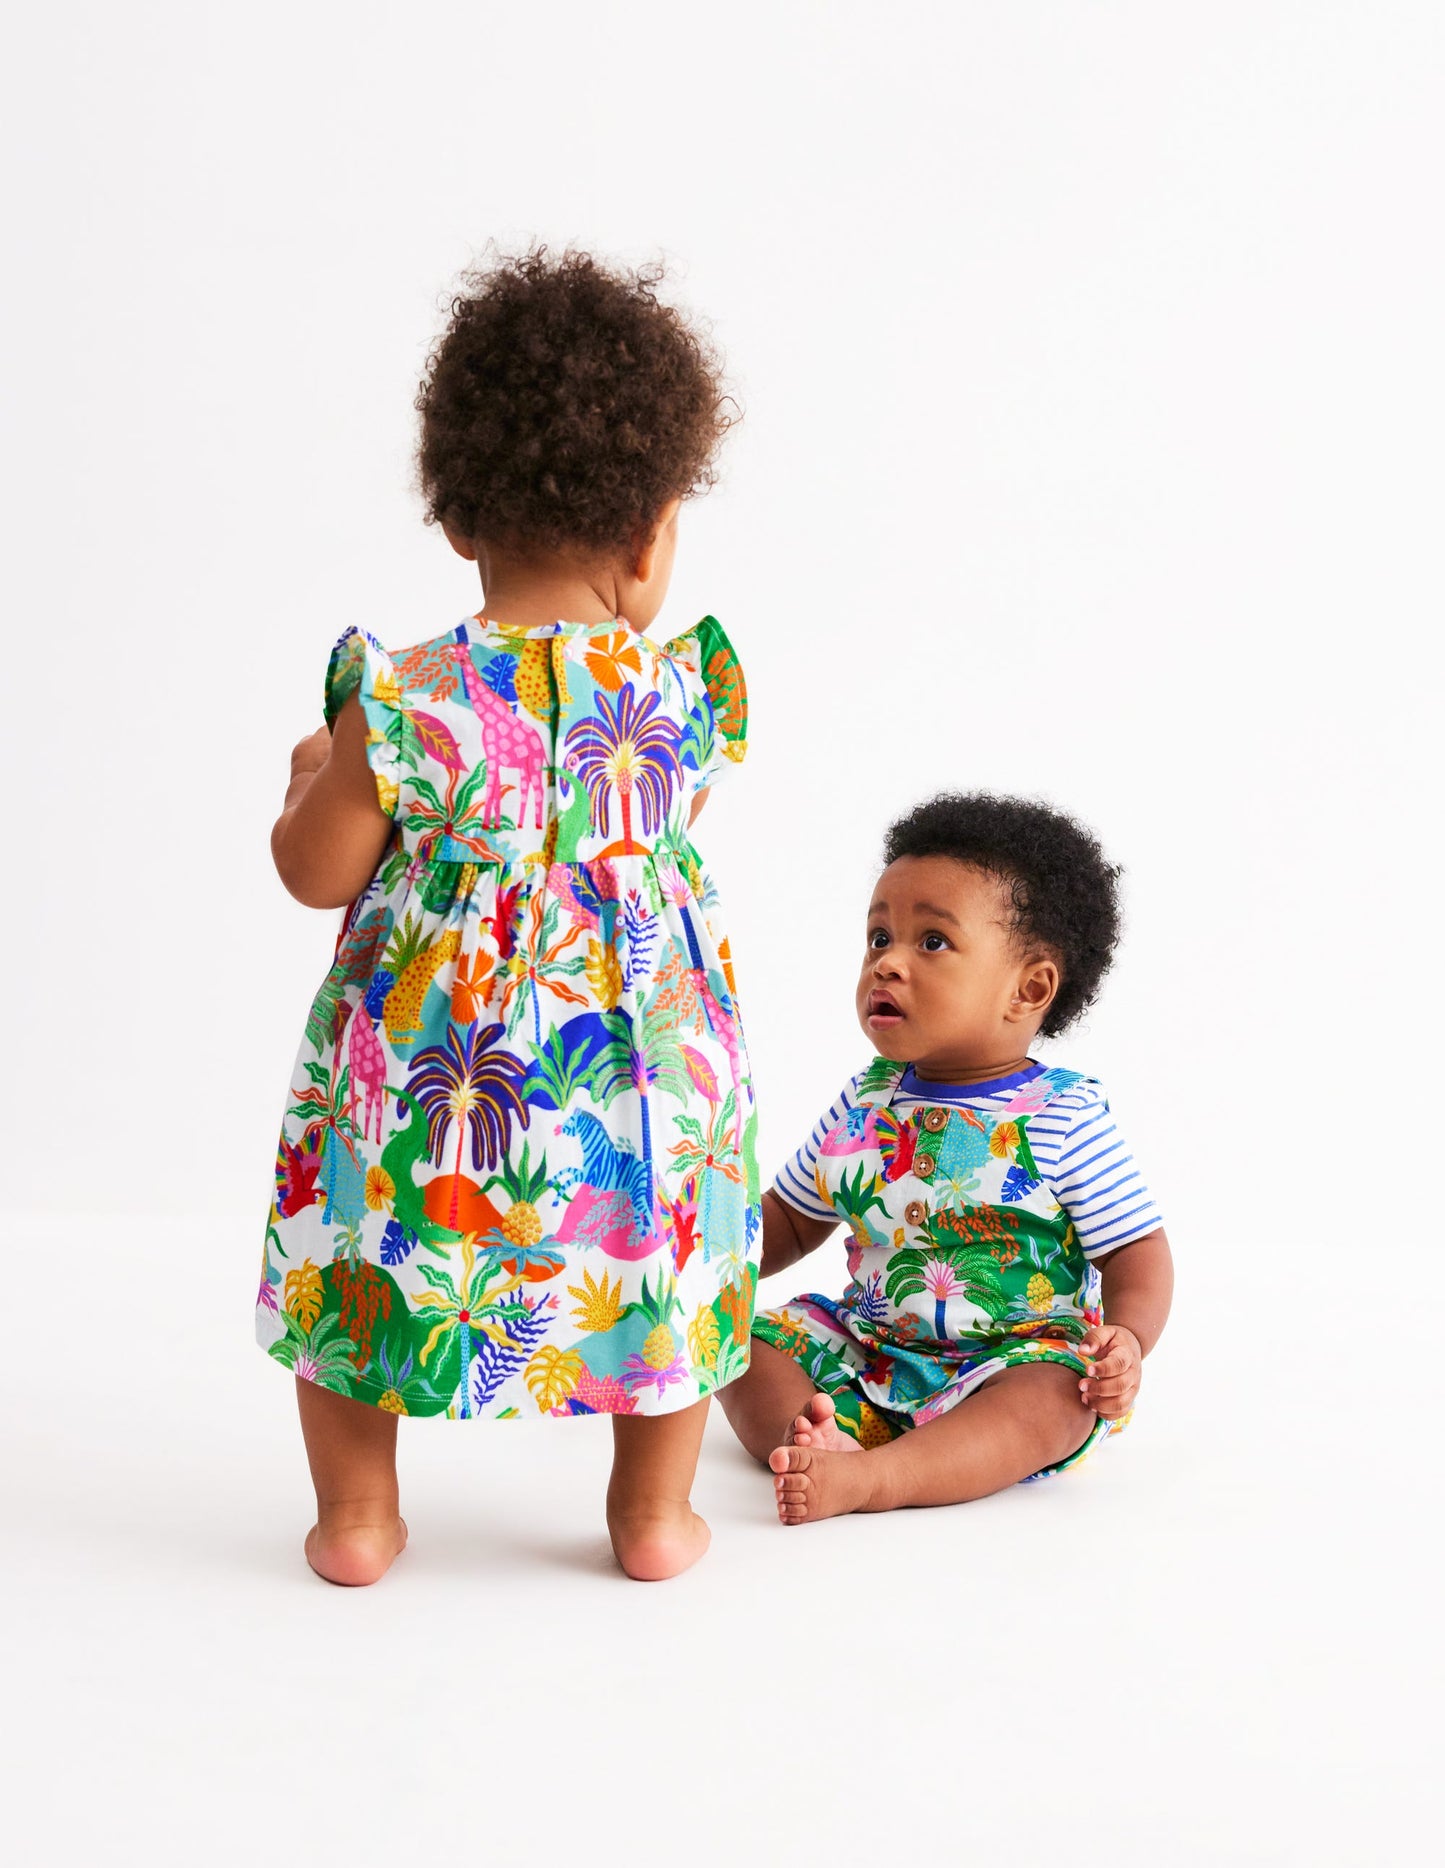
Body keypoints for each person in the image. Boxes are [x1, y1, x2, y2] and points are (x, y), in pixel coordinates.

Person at [257, 248, 759, 1583]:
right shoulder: (682, 697)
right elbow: (653, 829)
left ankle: (357, 1516)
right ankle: (650, 1512)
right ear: (650, 535)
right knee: (665, 1260)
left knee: (358, 1251)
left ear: (460, 519)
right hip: (637, 1079)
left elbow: (315, 871)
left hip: (429, 1083)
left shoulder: (402, 699)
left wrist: (316, 775)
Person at [720, 792, 1173, 1523]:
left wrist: (1128, 1340)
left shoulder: (1061, 1115)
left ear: (1028, 988)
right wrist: (709, 1269)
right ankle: (822, 1440)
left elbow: (1136, 1251)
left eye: (931, 942)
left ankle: (880, 1477)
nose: (887, 963)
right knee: (738, 1342)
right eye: (878, 937)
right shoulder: (864, 1100)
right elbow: (793, 1220)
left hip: (1009, 1361)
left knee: (1059, 1398)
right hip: (871, 1346)